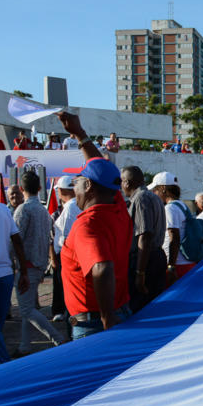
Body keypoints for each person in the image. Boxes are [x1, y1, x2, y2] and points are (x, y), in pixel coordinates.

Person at [56, 112, 133, 340]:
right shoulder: (117, 206)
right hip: (116, 311)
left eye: (77, 181)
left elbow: (102, 267)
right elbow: (100, 168)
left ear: (88, 185)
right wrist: (79, 134)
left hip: (95, 324)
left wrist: (107, 317)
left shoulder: (87, 225)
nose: (74, 187)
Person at [12, 171, 65, 357]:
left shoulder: (23, 210)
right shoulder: (43, 211)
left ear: (21, 188)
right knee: (29, 308)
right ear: (39, 188)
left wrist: (14, 263)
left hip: (26, 265)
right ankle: (24, 346)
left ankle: (58, 339)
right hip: (39, 264)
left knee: (26, 309)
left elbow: (15, 239)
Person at [0, 182, 29, 367]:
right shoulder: (1, 209)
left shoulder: (1, 208)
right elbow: (17, 240)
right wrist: (23, 272)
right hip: (4, 276)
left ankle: (5, 373)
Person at [120, 166, 167, 314]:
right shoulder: (153, 197)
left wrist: (140, 273)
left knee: (141, 308)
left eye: (121, 182)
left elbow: (144, 236)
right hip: (154, 257)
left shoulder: (140, 199)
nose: (121, 186)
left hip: (146, 260)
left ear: (127, 183)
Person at [148, 172, 195, 286]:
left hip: (177, 265)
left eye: (156, 190)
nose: (154, 193)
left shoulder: (170, 208)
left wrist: (171, 267)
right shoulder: (182, 205)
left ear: (163, 189)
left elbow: (174, 237)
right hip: (186, 262)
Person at [50, 175, 80, 322]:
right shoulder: (75, 205)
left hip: (67, 255)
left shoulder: (70, 208)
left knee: (66, 289)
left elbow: (67, 237)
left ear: (61, 191)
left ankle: (68, 316)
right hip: (71, 254)